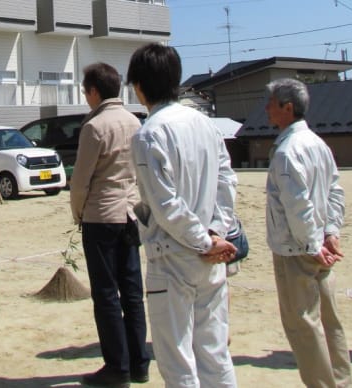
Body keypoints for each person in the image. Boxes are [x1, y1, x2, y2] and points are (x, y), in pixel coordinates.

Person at [127, 43, 239, 387]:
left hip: (173, 256)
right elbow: (226, 181)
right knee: (214, 353)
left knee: (177, 360)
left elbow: (166, 205)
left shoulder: (149, 134)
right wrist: (217, 232)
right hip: (211, 255)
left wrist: (203, 240)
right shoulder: (206, 125)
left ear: (139, 86)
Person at [264, 78, 352, 387]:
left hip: (298, 248)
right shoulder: (318, 144)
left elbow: (297, 205)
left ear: (287, 108)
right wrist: (331, 231)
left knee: (303, 324)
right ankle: (341, 381)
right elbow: (335, 191)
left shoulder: (288, 151)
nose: (266, 109)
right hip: (317, 244)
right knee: (330, 321)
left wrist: (314, 242)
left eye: (272, 104)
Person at [70, 62, 150, 387]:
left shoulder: (95, 126)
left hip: (101, 216)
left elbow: (80, 181)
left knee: (106, 294)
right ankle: (139, 363)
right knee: (132, 291)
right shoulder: (135, 121)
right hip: (130, 213)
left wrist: (77, 214)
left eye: (85, 91)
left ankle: (116, 367)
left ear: (94, 91)